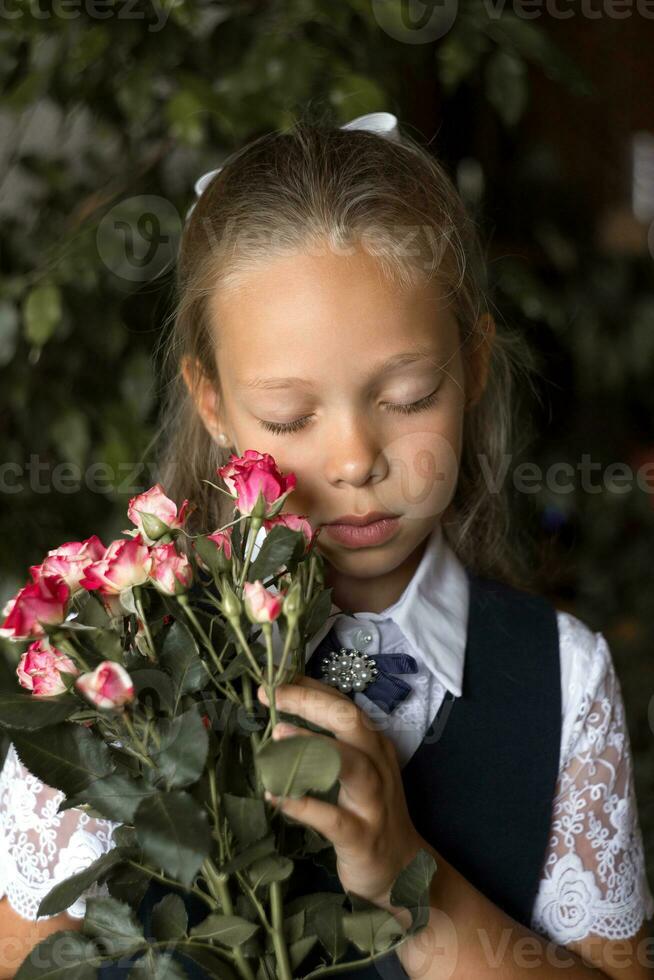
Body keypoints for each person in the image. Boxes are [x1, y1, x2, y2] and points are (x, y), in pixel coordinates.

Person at [1, 111, 652, 979]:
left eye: (411, 395)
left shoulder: (562, 679)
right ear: (212, 402)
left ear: (476, 365)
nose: (353, 461)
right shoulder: (117, 666)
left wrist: (406, 888)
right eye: (288, 418)